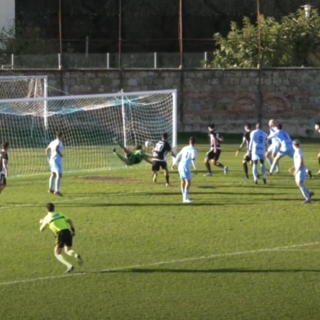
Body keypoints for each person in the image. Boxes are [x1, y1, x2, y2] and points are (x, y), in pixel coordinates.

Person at [40, 203, 83, 273]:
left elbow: (41, 230)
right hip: (68, 232)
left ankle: (69, 266)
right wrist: (73, 230)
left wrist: (42, 223)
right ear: (54, 208)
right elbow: (70, 220)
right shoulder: (60, 214)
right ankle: (76, 255)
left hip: (60, 234)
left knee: (57, 253)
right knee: (67, 250)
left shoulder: (47, 218)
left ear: (46, 209)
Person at [172, 137, 198, 203]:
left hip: (180, 165)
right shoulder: (194, 150)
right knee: (188, 182)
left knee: (183, 181)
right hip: (185, 166)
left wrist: (174, 163)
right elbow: (193, 159)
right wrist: (195, 168)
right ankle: (185, 198)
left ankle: (185, 197)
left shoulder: (185, 148)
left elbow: (178, 155)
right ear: (195, 142)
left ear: (189, 142)